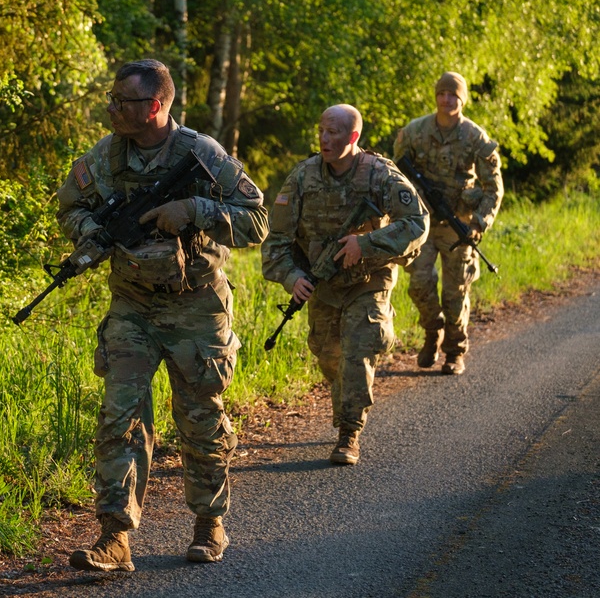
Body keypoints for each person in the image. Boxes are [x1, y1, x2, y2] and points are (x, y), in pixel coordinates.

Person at [55, 59, 269, 572]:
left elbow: (258, 219)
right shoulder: (106, 155)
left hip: (196, 304)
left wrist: (196, 212)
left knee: (200, 419)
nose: (110, 108)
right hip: (132, 304)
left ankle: (208, 523)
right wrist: (94, 233)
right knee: (120, 416)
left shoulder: (201, 154)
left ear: (153, 106)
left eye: (120, 101)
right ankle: (114, 536)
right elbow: (69, 207)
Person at [261, 104, 429, 466]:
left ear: (353, 137)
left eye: (334, 132)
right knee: (329, 354)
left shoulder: (380, 175)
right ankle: (345, 412)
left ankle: (349, 432)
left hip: (369, 278)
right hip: (324, 283)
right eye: (321, 130)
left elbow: (417, 223)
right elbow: (275, 242)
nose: (324, 138)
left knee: (358, 349)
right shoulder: (303, 177)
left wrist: (364, 244)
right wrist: (293, 277)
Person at [393, 72, 504, 375]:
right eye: (442, 93)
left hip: (460, 226)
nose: (446, 99)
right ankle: (432, 332)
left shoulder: (475, 137)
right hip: (423, 224)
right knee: (419, 285)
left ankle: (455, 351)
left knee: (455, 294)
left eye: (453, 95)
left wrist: (479, 223)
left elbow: (494, 187)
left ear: (462, 99)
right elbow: (395, 179)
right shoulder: (414, 132)